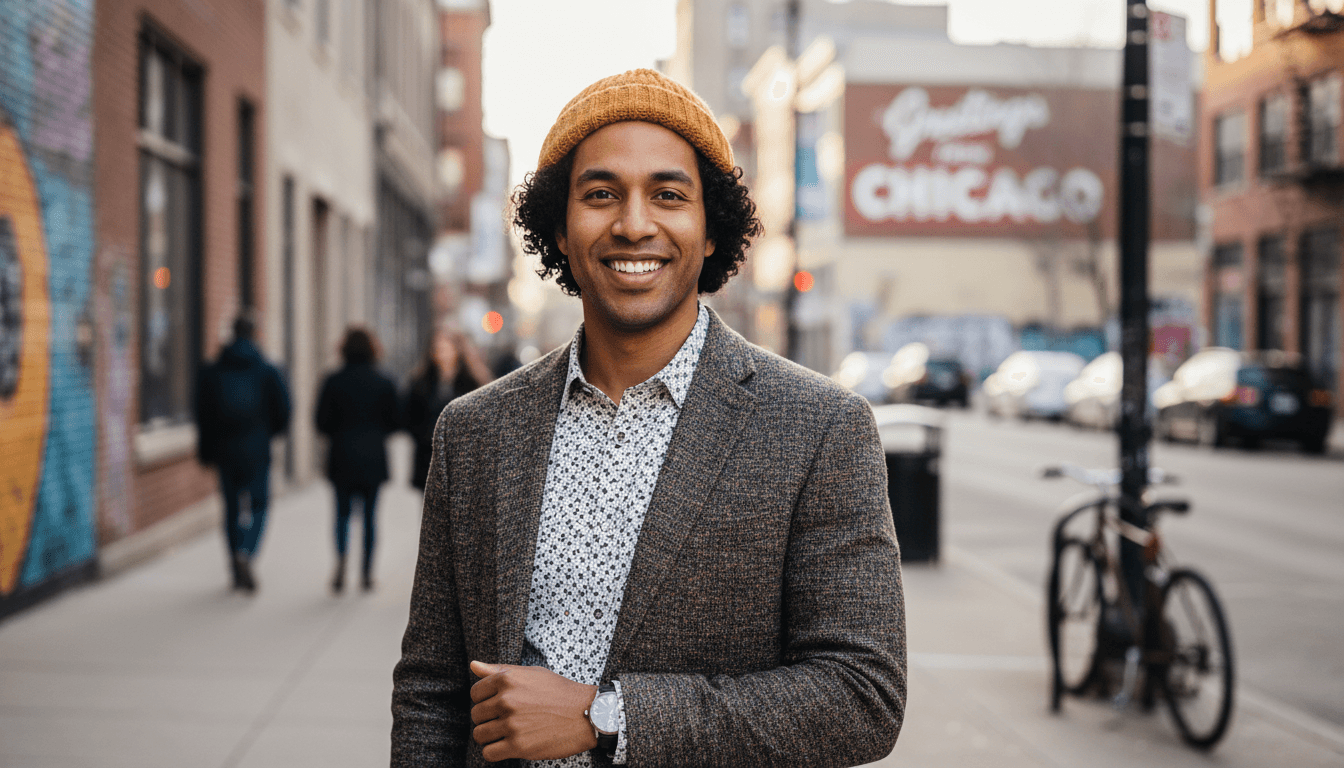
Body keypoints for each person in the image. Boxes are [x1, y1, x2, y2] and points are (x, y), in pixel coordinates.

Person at [392, 69, 906, 767]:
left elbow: (861, 697)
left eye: (668, 195)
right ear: (559, 231)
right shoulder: (475, 431)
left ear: (712, 229)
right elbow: (432, 692)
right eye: (601, 195)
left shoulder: (820, 428)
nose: (634, 224)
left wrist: (607, 717)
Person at [196, 313, 291, 593]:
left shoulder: (212, 370)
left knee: (231, 509)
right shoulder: (267, 369)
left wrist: (206, 451)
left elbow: (203, 415)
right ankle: (246, 552)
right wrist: (269, 434)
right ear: (255, 334)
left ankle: (235, 559)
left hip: (225, 451)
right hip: (257, 448)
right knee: (259, 505)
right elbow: (284, 410)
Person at [315, 327, 400, 592]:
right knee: (370, 518)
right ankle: (366, 572)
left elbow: (320, 421)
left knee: (341, 514)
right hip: (373, 457)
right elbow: (397, 420)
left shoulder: (332, 379)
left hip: (341, 455)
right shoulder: (384, 380)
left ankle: (341, 561)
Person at [403, 330, 492, 491]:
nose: (441, 354)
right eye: (437, 349)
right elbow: (410, 417)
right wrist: (426, 436)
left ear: (457, 351)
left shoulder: (473, 383)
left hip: (463, 458)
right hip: (429, 456)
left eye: (445, 348)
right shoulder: (420, 383)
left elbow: (485, 419)